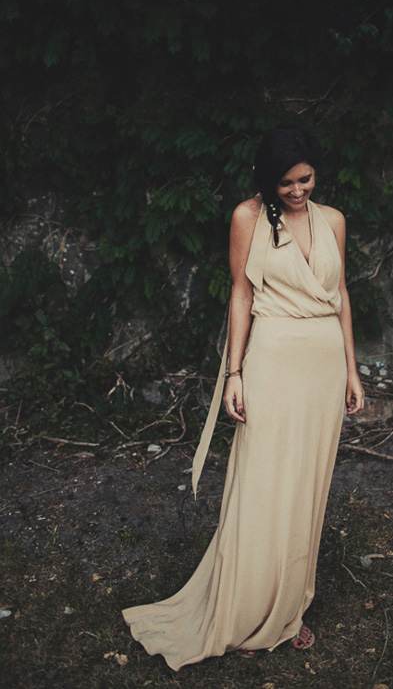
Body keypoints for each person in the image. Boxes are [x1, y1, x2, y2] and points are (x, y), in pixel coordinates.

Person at [122, 126, 365, 668]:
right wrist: (234, 373)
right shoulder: (247, 218)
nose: (297, 191)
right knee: (262, 484)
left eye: (305, 180)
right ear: (268, 179)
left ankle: (288, 610)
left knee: (306, 487)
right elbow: (240, 292)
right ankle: (244, 608)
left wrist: (352, 369)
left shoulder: (333, 221)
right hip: (272, 360)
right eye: (286, 182)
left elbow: (341, 293)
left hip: (324, 366)